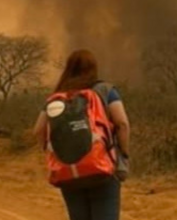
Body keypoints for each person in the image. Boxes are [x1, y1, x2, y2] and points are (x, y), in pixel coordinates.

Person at [33, 49, 131, 220]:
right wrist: (124, 153)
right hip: (102, 168)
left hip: (69, 170)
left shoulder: (56, 97)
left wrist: (54, 151)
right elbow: (122, 123)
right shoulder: (106, 90)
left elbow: (38, 130)